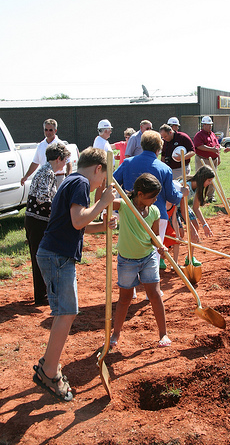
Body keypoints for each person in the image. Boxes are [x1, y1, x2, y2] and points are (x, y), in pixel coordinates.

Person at [33, 147, 116, 401]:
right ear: (98, 169)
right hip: (57, 256)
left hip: (55, 254)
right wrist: (103, 202)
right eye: (102, 180)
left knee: (65, 312)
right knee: (66, 313)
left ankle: (49, 363)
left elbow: (76, 225)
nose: (100, 185)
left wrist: (102, 225)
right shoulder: (80, 182)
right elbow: (79, 220)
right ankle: (48, 371)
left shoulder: (72, 180)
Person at [109, 173, 171, 350]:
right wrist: (105, 191)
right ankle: (116, 334)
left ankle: (163, 334)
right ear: (140, 194)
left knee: (155, 294)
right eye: (152, 196)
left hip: (148, 257)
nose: (155, 199)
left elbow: (154, 237)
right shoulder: (124, 206)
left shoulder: (154, 211)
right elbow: (102, 203)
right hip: (127, 260)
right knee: (125, 299)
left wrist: (160, 246)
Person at [113, 130, 189, 270]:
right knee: (153, 252)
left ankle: (133, 285)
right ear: (159, 149)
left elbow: (113, 182)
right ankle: (150, 283)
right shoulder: (164, 169)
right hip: (157, 214)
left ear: (142, 145)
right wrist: (182, 193)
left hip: (130, 212)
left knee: (130, 248)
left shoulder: (127, 163)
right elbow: (172, 196)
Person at [24, 143, 70, 306]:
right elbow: (43, 198)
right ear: (58, 158)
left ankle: (42, 293)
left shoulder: (45, 170)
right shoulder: (48, 172)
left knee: (39, 256)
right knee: (40, 257)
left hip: (36, 220)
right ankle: (41, 296)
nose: (65, 163)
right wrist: (57, 213)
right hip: (38, 221)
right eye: (65, 160)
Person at [21, 119, 72, 189]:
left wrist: (69, 178)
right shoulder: (40, 145)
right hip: (45, 178)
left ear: (55, 130)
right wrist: (26, 176)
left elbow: (68, 163)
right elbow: (35, 163)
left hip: (58, 177)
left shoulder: (60, 145)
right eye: (46, 130)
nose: (48, 132)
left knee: (58, 199)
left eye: (50, 130)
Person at [193, 116, 221, 203]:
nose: (210, 126)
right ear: (203, 125)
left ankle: (210, 196)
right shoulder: (199, 135)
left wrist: (218, 156)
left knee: (212, 178)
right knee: (201, 178)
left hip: (213, 159)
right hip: (203, 159)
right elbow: (198, 146)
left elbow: (217, 146)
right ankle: (200, 197)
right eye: (208, 125)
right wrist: (211, 149)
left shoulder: (212, 134)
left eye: (210, 125)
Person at [93, 119, 115, 202]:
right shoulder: (100, 141)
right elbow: (100, 157)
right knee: (101, 188)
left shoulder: (102, 141)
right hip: (103, 169)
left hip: (106, 169)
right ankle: (98, 208)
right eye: (110, 130)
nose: (110, 132)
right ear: (106, 130)